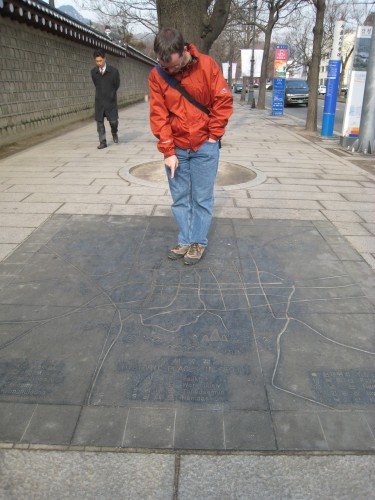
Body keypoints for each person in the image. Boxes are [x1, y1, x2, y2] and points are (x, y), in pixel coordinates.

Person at [148, 28, 233, 265]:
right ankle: (185, 240)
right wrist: (167, 150)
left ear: (184, 50)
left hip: (205, 144)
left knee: (202, 198)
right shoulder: (157, 75)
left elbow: (222, 100)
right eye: (166, 68)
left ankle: (198, 242)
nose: (170, 71)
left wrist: (213, 136)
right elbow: (158, 113)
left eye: (174, 67)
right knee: (179, 198)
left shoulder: (207, 66)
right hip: (176, 146)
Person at [91, 49, 120, 149]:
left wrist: (111, 94)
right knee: (99, 122)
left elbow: (117, 84)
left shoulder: (113, 71)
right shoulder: (93, 72)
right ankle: (102, 142)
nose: (99, 63)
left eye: (100, 61)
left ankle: (114, 132)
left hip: (110, 101)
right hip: (99, 100)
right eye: (97, 61)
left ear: (105, 59)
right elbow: (96, 84)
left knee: (113, 122)